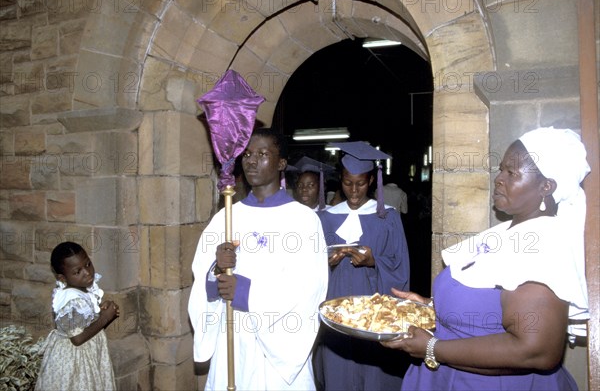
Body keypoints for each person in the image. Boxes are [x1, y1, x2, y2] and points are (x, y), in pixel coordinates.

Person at [381, 127, 590, 391]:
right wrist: (431, 307)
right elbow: (489, 305)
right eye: (501, 169)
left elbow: (535, 351)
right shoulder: (507, 233)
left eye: (511, 173)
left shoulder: (542, 245)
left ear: (546, 186)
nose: (499, 179)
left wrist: (433, 347)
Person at [188, 128, 329, 390]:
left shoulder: (303, 220)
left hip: (277, 350)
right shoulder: (226, 217)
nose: (252, 160)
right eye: (248, 154)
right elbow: (203, 279)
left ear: (281, 163)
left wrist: (244, 291)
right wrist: (217, 269)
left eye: (263, 154)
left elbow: (309, 288)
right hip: (234, 339)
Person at [313, 141, 411, 390]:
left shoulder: (388, 217)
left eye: (361, 183)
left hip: (374, 304)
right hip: (335, 301)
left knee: (372, 370)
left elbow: (400, 268)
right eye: (347, 183)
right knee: (338, 368)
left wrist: (373, 262)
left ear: (371, 181)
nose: (354, 191)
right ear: (340, 181)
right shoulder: (325, 218)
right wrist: (326, 263)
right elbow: (307, 269)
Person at [35, 241, 119, 391]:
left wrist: (99, 311)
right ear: (62, 278)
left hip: (89, 352)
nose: (87, 272)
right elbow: (77, 338)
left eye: (87, 264)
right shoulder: (71, 300)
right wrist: (105, 318)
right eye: (77, 271)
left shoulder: (79, 290)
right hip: (75, 360)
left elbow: (83, 321)